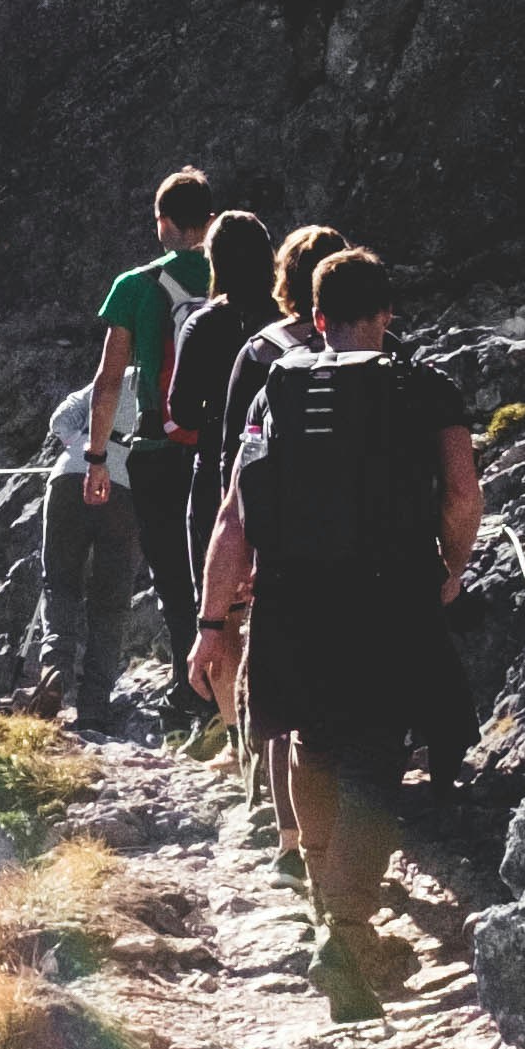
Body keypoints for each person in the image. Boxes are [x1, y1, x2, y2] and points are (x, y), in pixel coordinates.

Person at [192, 243, 477, 1018]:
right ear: (387, 314)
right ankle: (346, 933)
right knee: (375, 759)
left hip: (291, 600)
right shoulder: (426, 388)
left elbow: (232, 517)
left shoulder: (272, 394)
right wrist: (450, 566)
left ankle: (333, 917)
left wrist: (212, 624)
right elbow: (460, 493)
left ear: (315, 317)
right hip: (388, 599)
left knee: (313, 746)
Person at [212, 222, 344, 866]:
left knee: (276, 684)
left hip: (281, 547)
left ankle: (285, 824)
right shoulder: (385, 349)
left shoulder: (264, 354)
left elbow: (236, 460)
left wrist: (233, 556)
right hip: (366, 542)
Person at [82, 168, 216, 724]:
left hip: (159, 449)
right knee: (227, 568)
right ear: (209, 221)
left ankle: (195, 692)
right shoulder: (234, 273)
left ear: (162, 221)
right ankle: (236, 687)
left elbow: (109, 380)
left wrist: (95, 456)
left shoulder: (134, 285)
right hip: (226, 449)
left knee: (173, 573)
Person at [162, 208, 281, 616]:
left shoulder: (202, 324)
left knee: (218, 606)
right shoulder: (285, 323)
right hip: (282, 469)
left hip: (217, 463)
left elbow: (182, 411)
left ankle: (225, 678)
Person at [31, 367, 142, 734]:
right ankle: (94, 705)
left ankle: (56, 669)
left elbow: (60, 418)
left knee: (59, 582)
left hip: (69, 476)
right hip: (126, 487)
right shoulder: (168, 381)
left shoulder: (116, 375)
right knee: (110, 602)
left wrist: (77, 443)